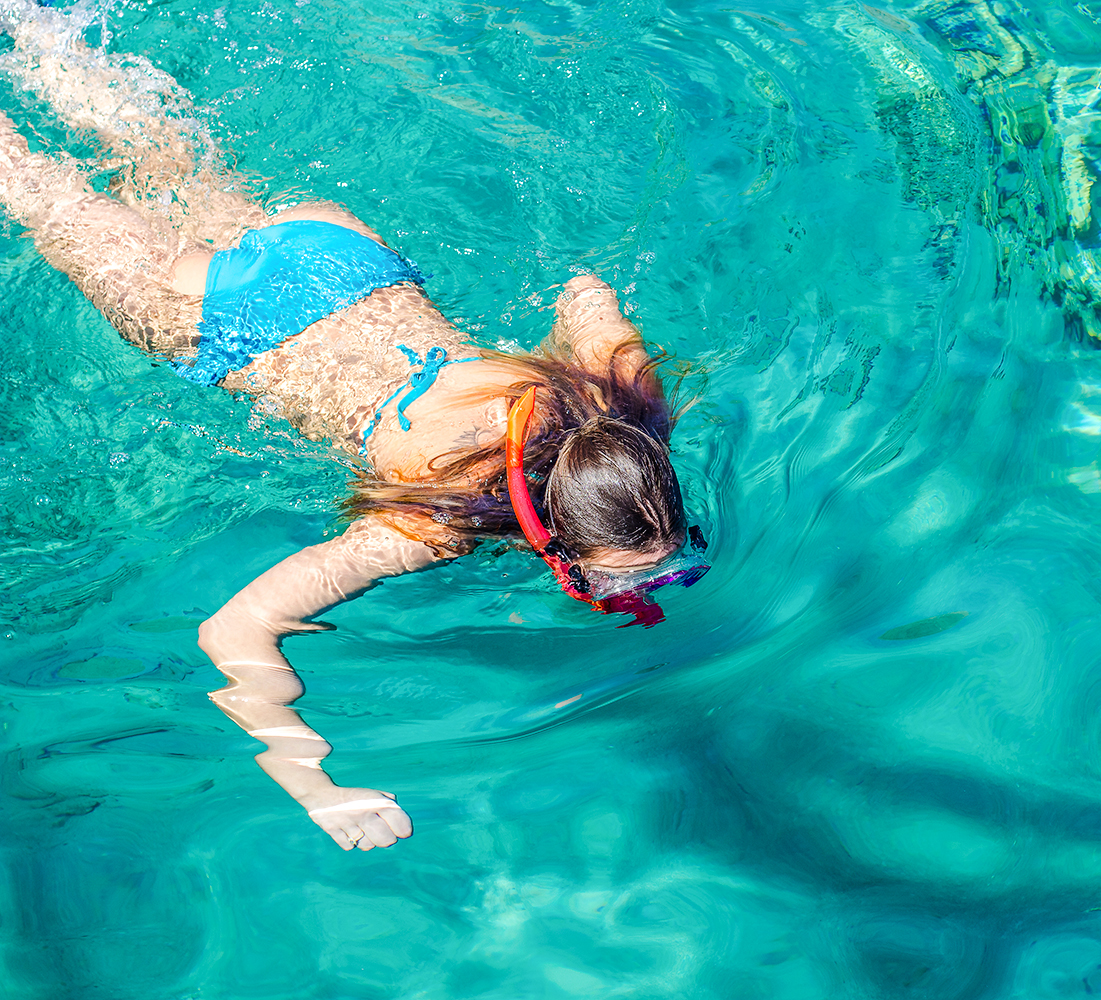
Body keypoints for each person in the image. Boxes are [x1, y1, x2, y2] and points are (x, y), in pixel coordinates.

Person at [0, 24, 706, 851]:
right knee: (28, 180)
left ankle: (38, 27)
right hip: (228, 325)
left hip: (339, 252)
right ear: (554, 543)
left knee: (160, 156)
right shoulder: (432, 524)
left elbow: (586, 293)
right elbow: (232, 631)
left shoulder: (624, 391)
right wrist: (314, 783)